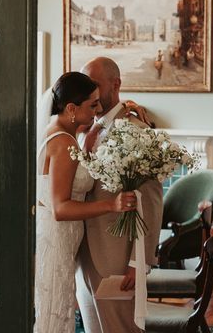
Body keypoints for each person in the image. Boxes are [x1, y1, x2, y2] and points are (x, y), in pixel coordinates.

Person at [34, 71, 137, 333]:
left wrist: (128, 108)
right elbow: (60, 208)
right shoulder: (63, 144)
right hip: (57, 239)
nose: (98, 110)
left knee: (56, 307)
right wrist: (112, 205)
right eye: (92, 105)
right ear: (71, 108)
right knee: (54, 311)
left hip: (60, 239)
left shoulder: (60, 131)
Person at [76, 57, 163, 333]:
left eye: (95, 85)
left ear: (116, 85)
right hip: (82, 254)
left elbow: (151, 201)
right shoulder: (82, 130)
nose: (89, 93)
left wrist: (139, 262)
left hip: (116, 256)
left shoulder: (137, 132)